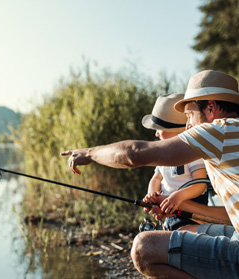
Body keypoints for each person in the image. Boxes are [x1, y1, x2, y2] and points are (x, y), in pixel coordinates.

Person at [61, 70, 239, 278]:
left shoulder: (220, 131)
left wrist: (89, 153)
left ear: (211, 108)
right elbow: (230, 217)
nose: (188, 125)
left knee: (144, 247)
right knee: (181, 233)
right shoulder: (229, 140)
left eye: (190, 114)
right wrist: (179, 207)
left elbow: (133, 154)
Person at [141, 93, 207, 231]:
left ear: (178, 131)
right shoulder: (164, 155)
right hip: (168, 211)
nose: (156, 134)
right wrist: (151, 194)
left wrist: (177, 198)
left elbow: (200, 185)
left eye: (160, 129)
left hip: (189, 212)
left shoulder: (193, 152)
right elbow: (156, 178)